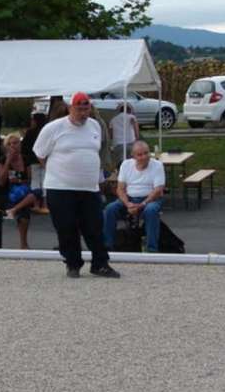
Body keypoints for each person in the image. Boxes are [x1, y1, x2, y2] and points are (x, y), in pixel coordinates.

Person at [33, 91, 120, 278]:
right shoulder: (54, 128)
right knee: (66, 227)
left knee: (95, 227)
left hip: (89, 187)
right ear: (70, 108)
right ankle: (72, 264)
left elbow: (98, 151)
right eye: (79, 109)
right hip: (60, 187)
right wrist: (56, 170)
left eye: (86, 108)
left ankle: (100, 263)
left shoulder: (95, 126)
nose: (83, 112)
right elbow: (40, 153)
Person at [103, 141, 165, 253]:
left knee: (151, 210)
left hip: (150, 199)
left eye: (146, 153)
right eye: (140, 155)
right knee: (110, 209)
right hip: (129, 198)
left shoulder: (157, 165)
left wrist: (142, 204)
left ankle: (152, 249)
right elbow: (120, 188)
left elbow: (158, 190)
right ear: (133, 156)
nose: (144, 157)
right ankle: (107, 245)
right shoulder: (126, 164)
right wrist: (128, 204)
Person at [0, 133, 37, 250]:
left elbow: (29, 180)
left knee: (36, 193)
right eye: (10, 144)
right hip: (4, 193)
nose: (13, 146)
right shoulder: (2, 160)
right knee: (25, 208)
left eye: (16, 143)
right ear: (6, 146)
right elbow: (1, 182)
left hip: (20, 192)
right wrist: (8, 162)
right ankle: (24, 244)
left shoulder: (25, 159)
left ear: (20, 145)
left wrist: (19, 181)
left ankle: (13, 211)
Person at [21, 113, 47, 208]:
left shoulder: (30, 132)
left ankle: (36, 204)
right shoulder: (46, 131)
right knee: (45, 181)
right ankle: (44, 204)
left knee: (35, 181)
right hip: (45, 159)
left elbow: (24, 147)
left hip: (33, 160)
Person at [109, 103, 140, 168]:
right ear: (129, 110)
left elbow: (111, 135)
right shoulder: (132, 117)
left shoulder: (113, 120)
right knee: (132, 165)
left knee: (120, 165)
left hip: (118, 145)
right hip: (131, 143)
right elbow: (136, 131)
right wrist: (137, 140)